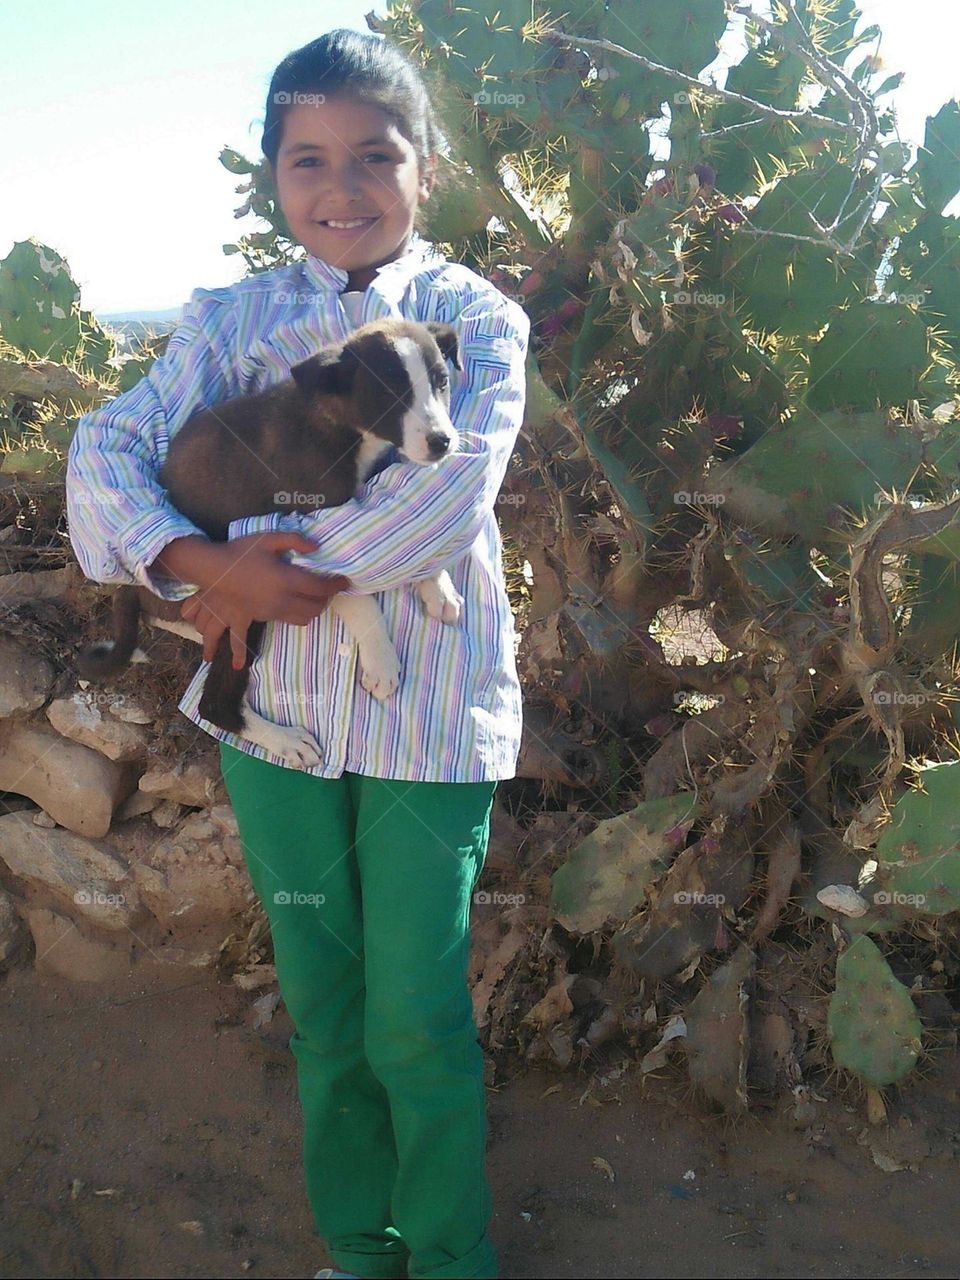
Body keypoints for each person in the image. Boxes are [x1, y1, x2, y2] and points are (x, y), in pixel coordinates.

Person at [65, 26, 530, 1280]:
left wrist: (259, 562)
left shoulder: (473, 318)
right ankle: (361, 1250)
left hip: (428, 718)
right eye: (307, 159)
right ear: (273, 176)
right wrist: (207, 564)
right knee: (325, 1010)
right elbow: (103, 452)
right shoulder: (229, 319)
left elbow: (444, 503)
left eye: (375, 156)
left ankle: (449, 1258)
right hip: (272, 723)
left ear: (426, 166)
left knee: (418, 1015)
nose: (342, 189)